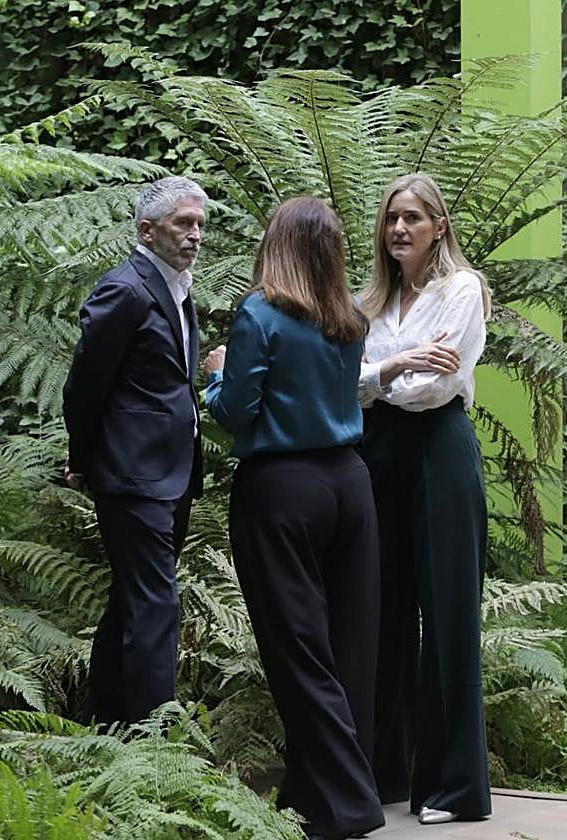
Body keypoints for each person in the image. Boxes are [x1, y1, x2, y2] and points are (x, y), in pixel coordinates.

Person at [205, 197, 384, 840]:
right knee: (349, 645)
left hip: (283, 489)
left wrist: (216, 375)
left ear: (275, 244)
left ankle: (348, 804)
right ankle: (314, 794)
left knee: (298, 647)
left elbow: (236, 411)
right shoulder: (351, 317)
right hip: (350, 485)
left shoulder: (260, 313)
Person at [357, 173, 492, 824]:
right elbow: (347, 385)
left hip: (440, 450)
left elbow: (434, 390)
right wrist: (400, 365)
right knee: (380, 612)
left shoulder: (460, 290)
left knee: (447, 615)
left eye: (412, 217)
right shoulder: (370, 304)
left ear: (439, 226)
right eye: (391, 219)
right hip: (377, 456)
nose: (399, 229)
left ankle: (454, 786)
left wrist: (381, 377)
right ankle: (384, 771)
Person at [62, 176, 206, 725]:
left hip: (174, 469)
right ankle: (154, 738)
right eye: (183, 223)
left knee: (133, 596)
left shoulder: (178, 287)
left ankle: (108, 722)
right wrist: (84, 456)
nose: (195, 235)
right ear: (147, 231)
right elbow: (85, 385)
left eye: (199, 225)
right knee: (156, 600)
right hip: (133, 470)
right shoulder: (124, 289)